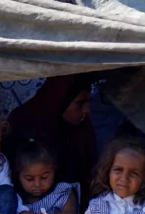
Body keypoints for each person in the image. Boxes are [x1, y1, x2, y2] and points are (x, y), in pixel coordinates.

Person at [5, 74, 99, 206]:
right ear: (60, 100)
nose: (87, 109)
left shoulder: (82, 130)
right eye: (79, 103)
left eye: (88, 102)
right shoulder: (23, 123)